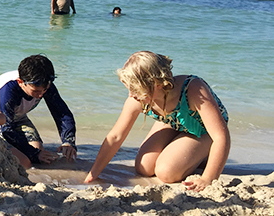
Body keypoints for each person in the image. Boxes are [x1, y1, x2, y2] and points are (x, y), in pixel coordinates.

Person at [84, 51, 230, 191]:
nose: (131, 94)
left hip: (203, 129)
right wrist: (93, 174)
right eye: (129, 88)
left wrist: (208, 178)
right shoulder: (137, 99)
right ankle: (187, 149)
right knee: (144, 167)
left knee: (166, 172)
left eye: (135, 89)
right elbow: (115, 137)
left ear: (157, 84)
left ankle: (204, 154)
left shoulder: (193, 89)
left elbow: (221, 136)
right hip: (173, 122)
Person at [0, 55, 77, 168]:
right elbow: (7, 128)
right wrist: (34, 154)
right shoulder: (8, 90)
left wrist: (68, 141)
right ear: (21, 82)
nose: (41, 95)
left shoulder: (44, 84)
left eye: (45, 90)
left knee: (40, 153)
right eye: (36, 91)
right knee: (26, 162)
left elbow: (62, 113)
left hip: (19, 117)